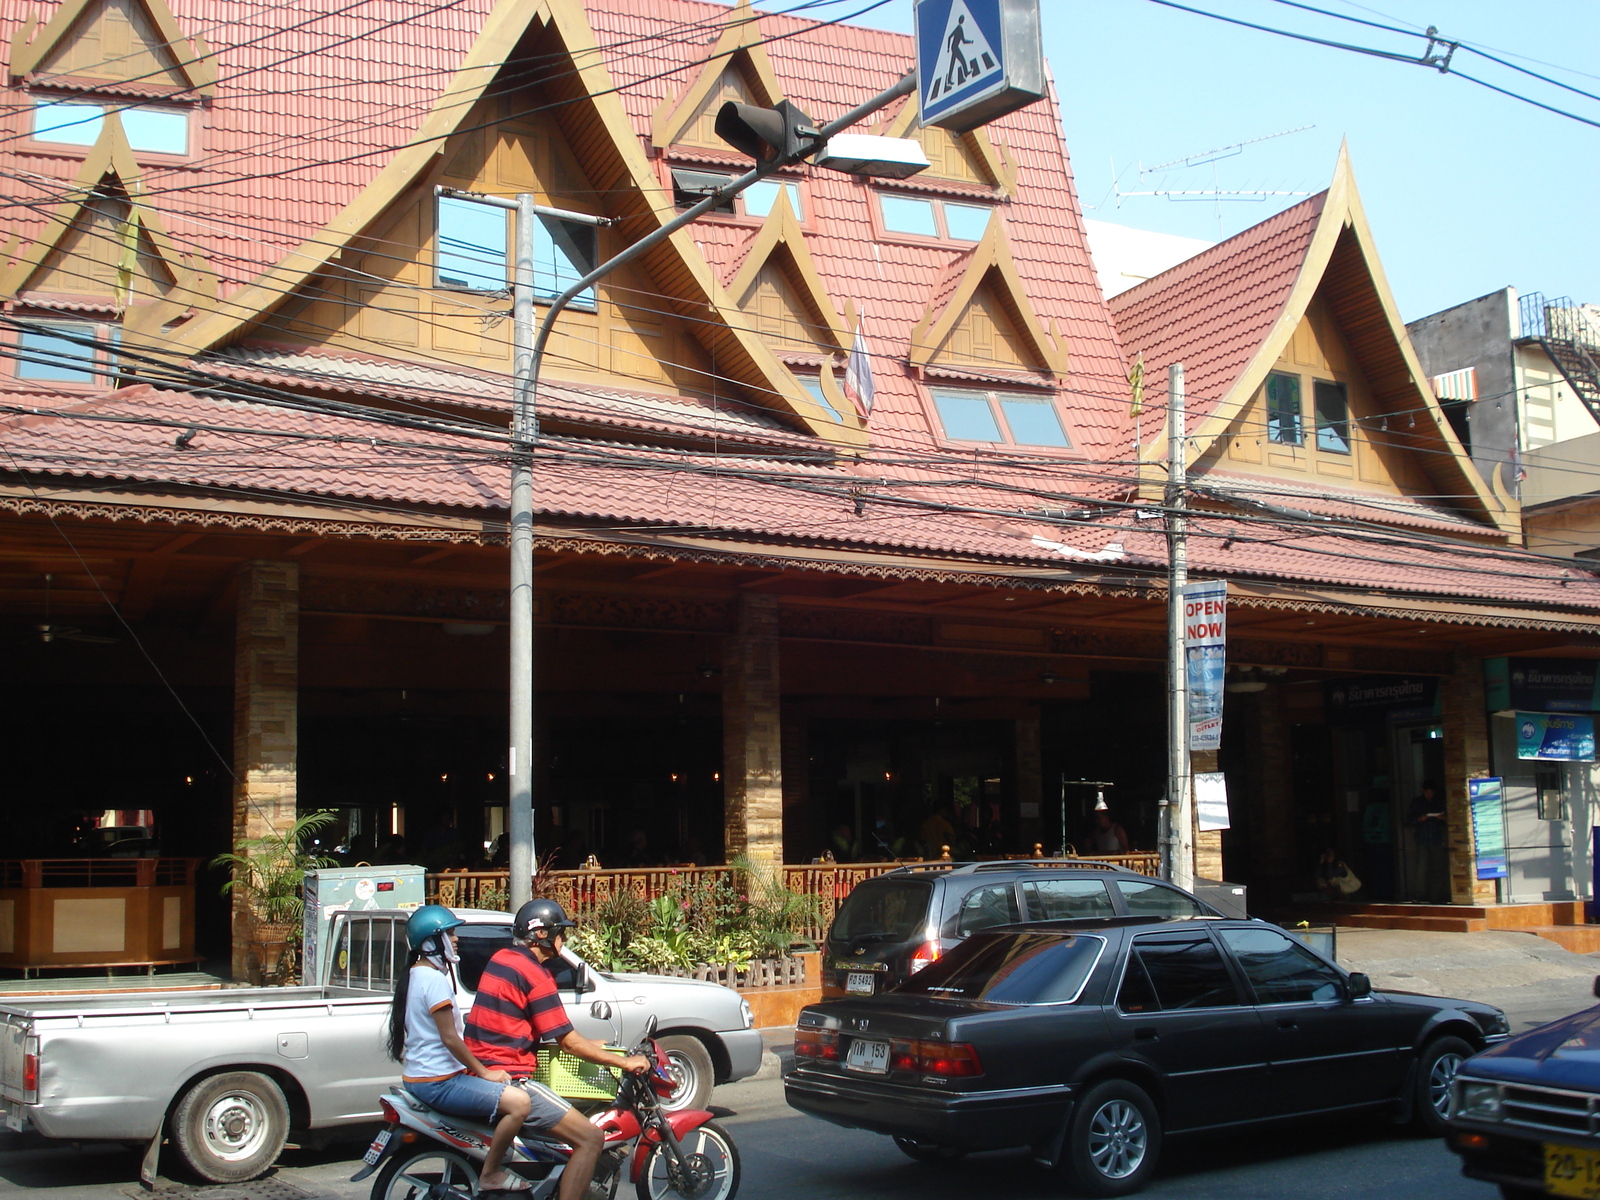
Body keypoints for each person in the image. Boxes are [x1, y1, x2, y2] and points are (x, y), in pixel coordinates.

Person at [465, 900, 651, 1200]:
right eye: (560, 932)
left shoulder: (502, 959)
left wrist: (591, 1046)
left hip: (481, 1069)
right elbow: (567, 1042)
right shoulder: (536, 975)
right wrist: (624, 1063)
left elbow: (537, 1028)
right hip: (510, 1078)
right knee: (590, 1137)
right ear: (543, 935)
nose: (564, 939)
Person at [385, 905, 530, 1197]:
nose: (456, 939)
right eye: (449, 933)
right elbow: (450, 1039)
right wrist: (484, 1072)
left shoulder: (416, 974)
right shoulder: (434, 980)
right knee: (520, 1104)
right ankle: (490, 1174)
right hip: (438, 1083)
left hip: (420, 1078)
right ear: (429, 942)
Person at [1409, 781, 1449, 902]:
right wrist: (1420, 819)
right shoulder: (1417, 803)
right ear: (1423, 791)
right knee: (1422, 868)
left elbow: (1449, 818)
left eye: (1432, 793)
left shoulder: (1439, 802)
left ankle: (1435, 896)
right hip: (1422, 838)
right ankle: (1419, 895)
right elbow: (1408, 820)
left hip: (1436, 837)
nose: (1430, 795)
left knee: (1437, 868)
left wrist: (1442, 818)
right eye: (1428, 793)